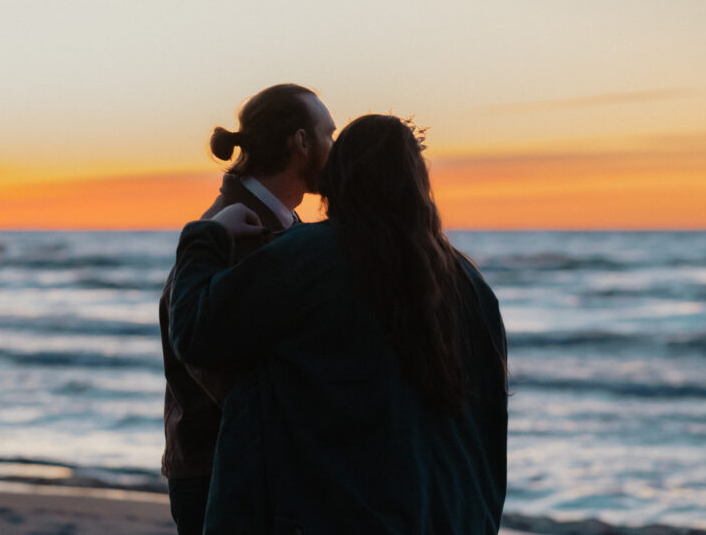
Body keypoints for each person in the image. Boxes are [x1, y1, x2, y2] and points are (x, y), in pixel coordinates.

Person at [169, 114, 508, 534]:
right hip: (451, 517)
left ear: (338, 178)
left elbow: (195, 332)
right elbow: (491, 428)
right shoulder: (471, 285)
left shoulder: (310, 256)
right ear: (419, 186)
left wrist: (204, 237)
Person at [159, 83, 336, 535]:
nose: (335, 148)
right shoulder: (236, 232)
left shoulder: (276, 224)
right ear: (300, 142)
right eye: (328, 135)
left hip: (245, 469)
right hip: (221, 474)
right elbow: (207, 355)